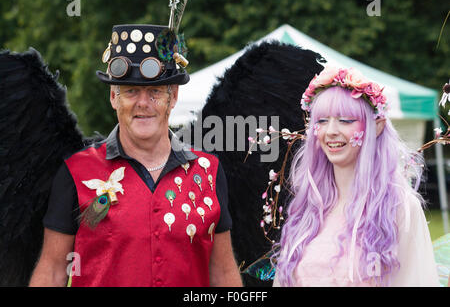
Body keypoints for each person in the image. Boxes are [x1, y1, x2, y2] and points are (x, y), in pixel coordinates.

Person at [29, 23, 242, 287]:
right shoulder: (76, 172)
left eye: (155, 92)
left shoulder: (208, 172)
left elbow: (222, 272)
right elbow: (52, 271)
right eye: (130, 91)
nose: (143, 103)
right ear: (113, 97)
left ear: (172, 97)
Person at [272, 66, 440, 286]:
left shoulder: (399, 208)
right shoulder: (308, 207)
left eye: (345, 120)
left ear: (377, 127)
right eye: (322, 121)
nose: (331, 131)